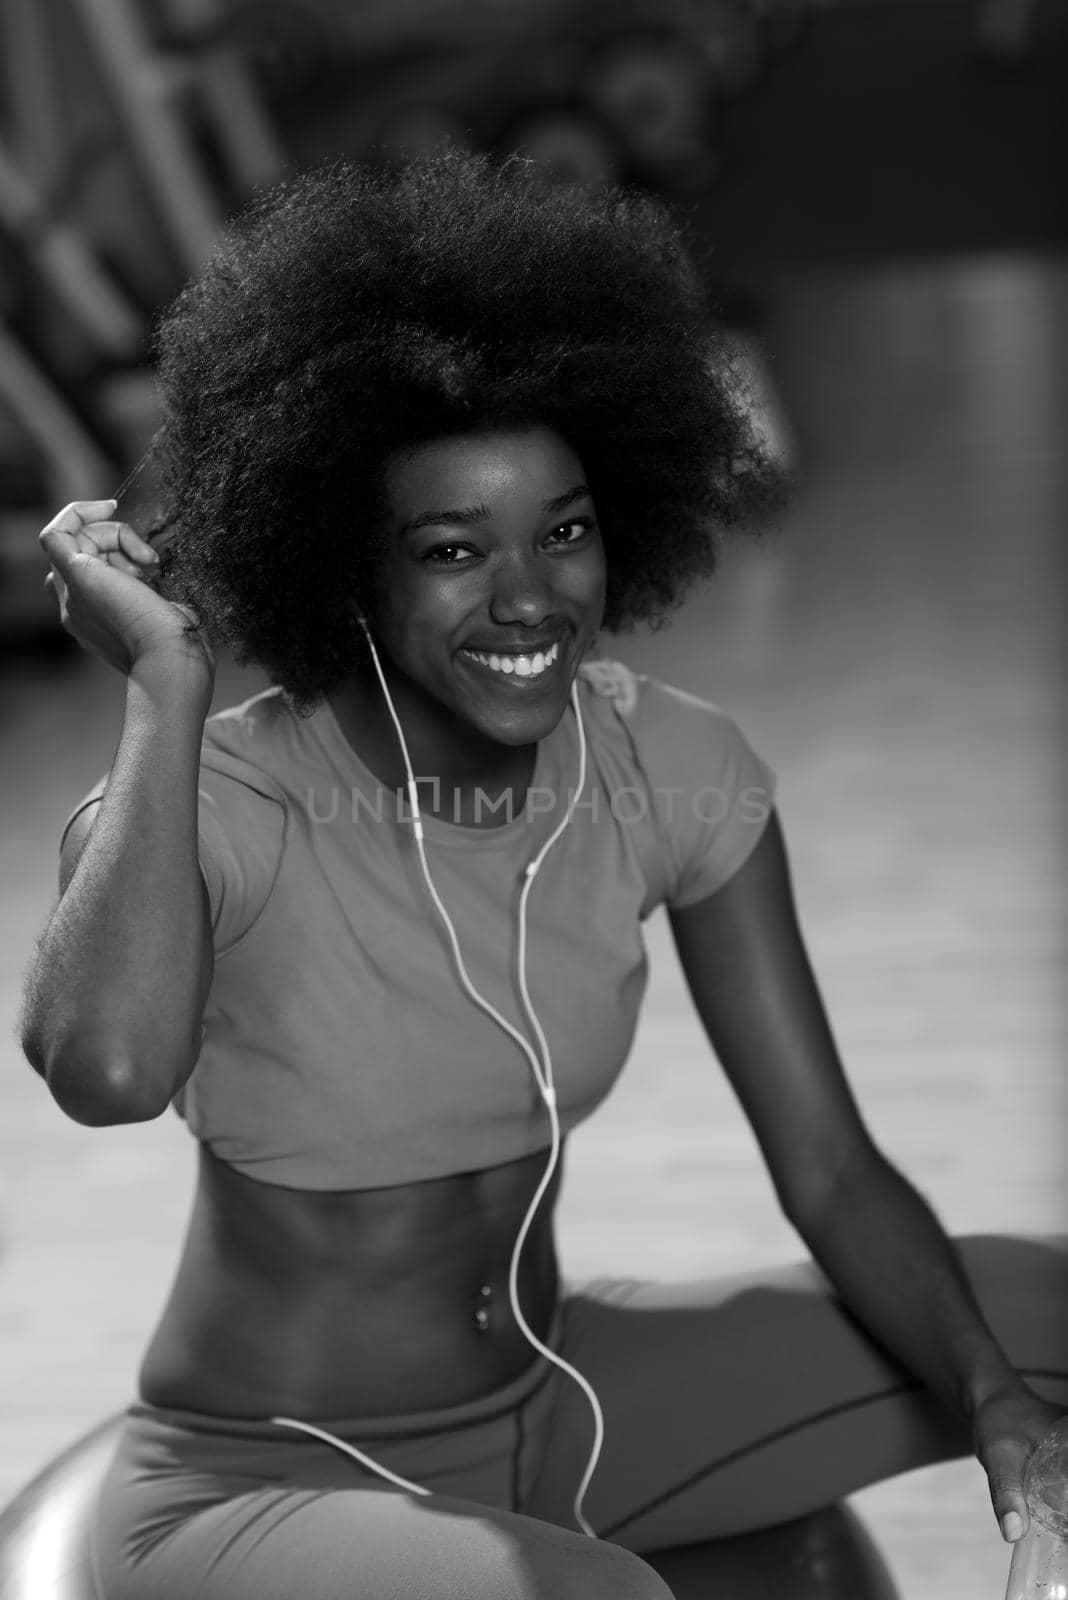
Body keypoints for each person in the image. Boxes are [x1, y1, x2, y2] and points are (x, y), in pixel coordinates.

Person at [19, 152, 1067, 1600]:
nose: (527, 598)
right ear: (341, 565)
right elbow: (108, 1072)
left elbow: (828, 1166)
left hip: (550, 1407)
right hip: (257, 1472)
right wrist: (165, 681)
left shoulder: (670, 769)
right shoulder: (219, 801)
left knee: (1046, 1314)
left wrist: (993, 1392)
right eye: (453, 550)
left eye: (562, 530)